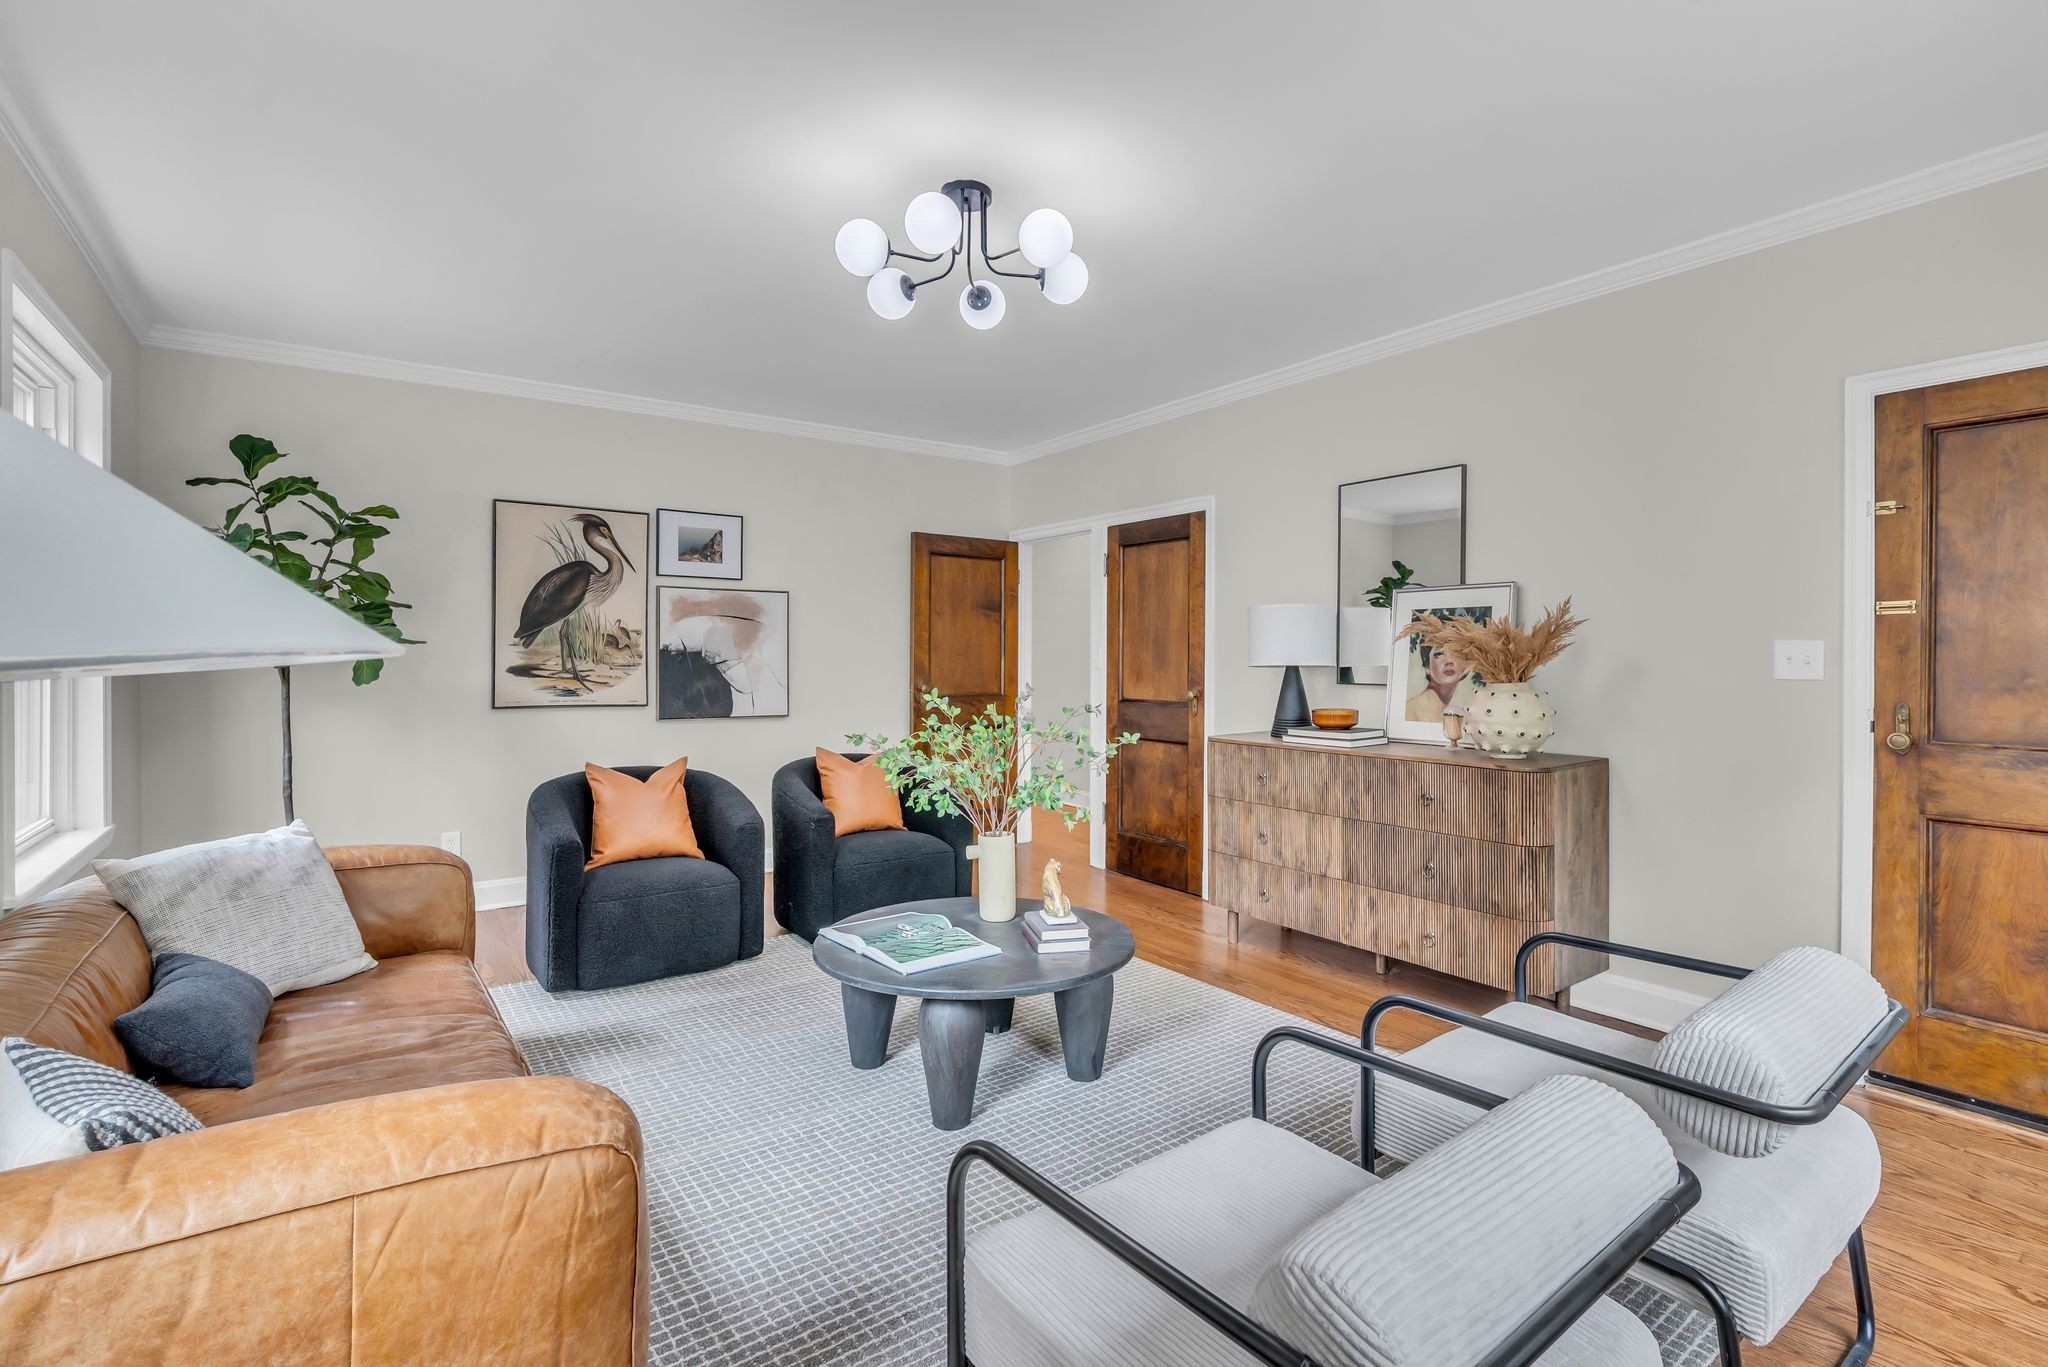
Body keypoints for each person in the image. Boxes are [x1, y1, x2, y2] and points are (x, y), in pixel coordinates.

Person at [1406, 641, 1472, 723]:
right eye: (1439, 654)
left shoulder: (1465, 713)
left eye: (1456, 652)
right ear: (1427, 666)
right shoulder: (1412, 712)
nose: (1449, 661)